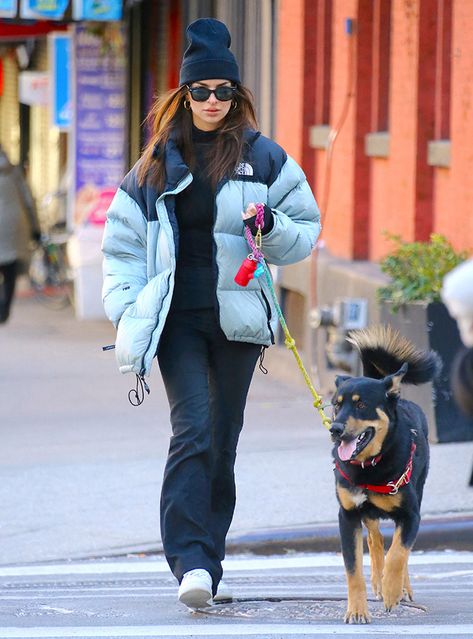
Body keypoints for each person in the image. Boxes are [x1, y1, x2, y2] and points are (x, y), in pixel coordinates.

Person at [102, 18, 321, 609]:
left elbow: (305, 231)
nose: (213, 102)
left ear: (237, 96)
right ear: (183, 95)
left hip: (238, 323)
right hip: (176, 322)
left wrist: (272, 229)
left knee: (222, 441)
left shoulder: (263, 158)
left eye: (224, 91)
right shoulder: (153, 166)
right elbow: (120, 249)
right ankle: (190, 563)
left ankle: (209, 562)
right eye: (201, 91)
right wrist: (128, 312)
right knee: (192, 430)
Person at [0, 145, 40, 323]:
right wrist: (35, 228)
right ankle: (5, 308)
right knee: (9, 269)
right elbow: (28, 200)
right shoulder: (14, 171)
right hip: (15, 224)